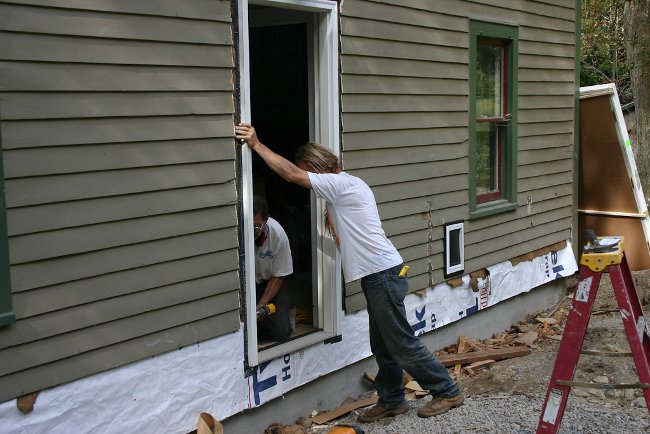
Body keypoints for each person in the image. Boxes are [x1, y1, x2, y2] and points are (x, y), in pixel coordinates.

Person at [235, 123, 464, 421]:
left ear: (317, 169)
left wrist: (256, 144)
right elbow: (346, 237)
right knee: (382, 344)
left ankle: (447, 390)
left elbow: (291, 174)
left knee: (400, 341)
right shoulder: (342, 193)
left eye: (310, 172)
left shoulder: (342, 184)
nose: (308, 180)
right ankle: (392, 399)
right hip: (378, 275)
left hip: (383, 274)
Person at [253, 195, 294, 342]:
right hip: (243, 288)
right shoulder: (238, 230)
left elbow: (279, 275)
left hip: (267, 285)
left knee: (281, 332)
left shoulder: (278, 235)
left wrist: (261, 305)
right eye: (249, 226)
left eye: (256, 226)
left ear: (266, 220)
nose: (252, 231)